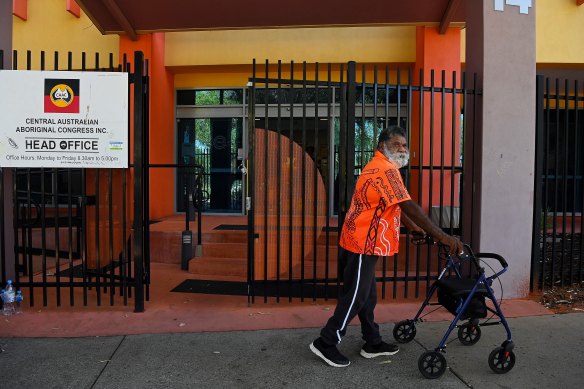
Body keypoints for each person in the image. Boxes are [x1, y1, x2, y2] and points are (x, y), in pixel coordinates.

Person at [310, 125, 464, 367]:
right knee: (356, 296)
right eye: (396, 145)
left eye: (404, 145)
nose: (402, 148)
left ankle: (372, 341)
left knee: (367, 296)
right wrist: (444, 236)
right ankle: (326, 341)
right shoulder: (385, 170)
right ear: (381, 147)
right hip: (362, 243)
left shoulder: (382, 168)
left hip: (363, 243)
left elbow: (394, 206)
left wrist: (415, 229)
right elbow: (408, 205)